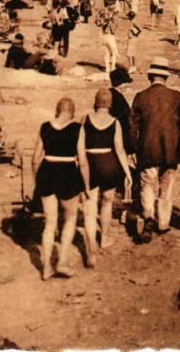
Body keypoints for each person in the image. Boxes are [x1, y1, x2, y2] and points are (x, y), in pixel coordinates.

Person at [129, 57, 180, 243]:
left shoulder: (140, 96)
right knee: (167, 187)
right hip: (170, 150)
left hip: (147, 150)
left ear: (150, 76)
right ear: (166, 78)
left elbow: (133, 127)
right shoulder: (176, 96)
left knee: (147, 184)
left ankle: (148, 216)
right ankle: (163, 222)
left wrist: (132, 149)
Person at [77, 89, 133, 260]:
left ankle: (91, 248)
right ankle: (105, 238)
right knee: (107, 204)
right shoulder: (114, 122)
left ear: (96, 101)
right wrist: (127, 172)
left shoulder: (85, 119)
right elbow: (120, 150)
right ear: (110, 104)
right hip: (109, 164)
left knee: (89, 207)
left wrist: (79, 164)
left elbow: (78, 147)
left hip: (90, 164)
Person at [32, 97, 83, 279]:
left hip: (47, 171)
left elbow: (35, 158)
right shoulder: (77, 128)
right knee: (70, 218)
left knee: (50, 222)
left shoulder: (45, 126)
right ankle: (62, 262)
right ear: (72, 112)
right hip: (68, 173)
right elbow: (82, 161)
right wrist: (85, 184)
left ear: (57, 110)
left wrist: (37, 181)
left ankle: (46, 267)